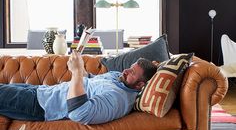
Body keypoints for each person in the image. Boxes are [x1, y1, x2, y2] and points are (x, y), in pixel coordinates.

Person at [0, 51, 157, 125]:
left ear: (140, 85)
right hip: (40, 91)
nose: (126, 71)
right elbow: (90, 80)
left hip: (41, 106)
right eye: (130, 67)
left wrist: (75, 73)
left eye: (132, 73)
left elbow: (79, 113)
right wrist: (79, 67)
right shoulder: (117, 78)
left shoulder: (119, 99)